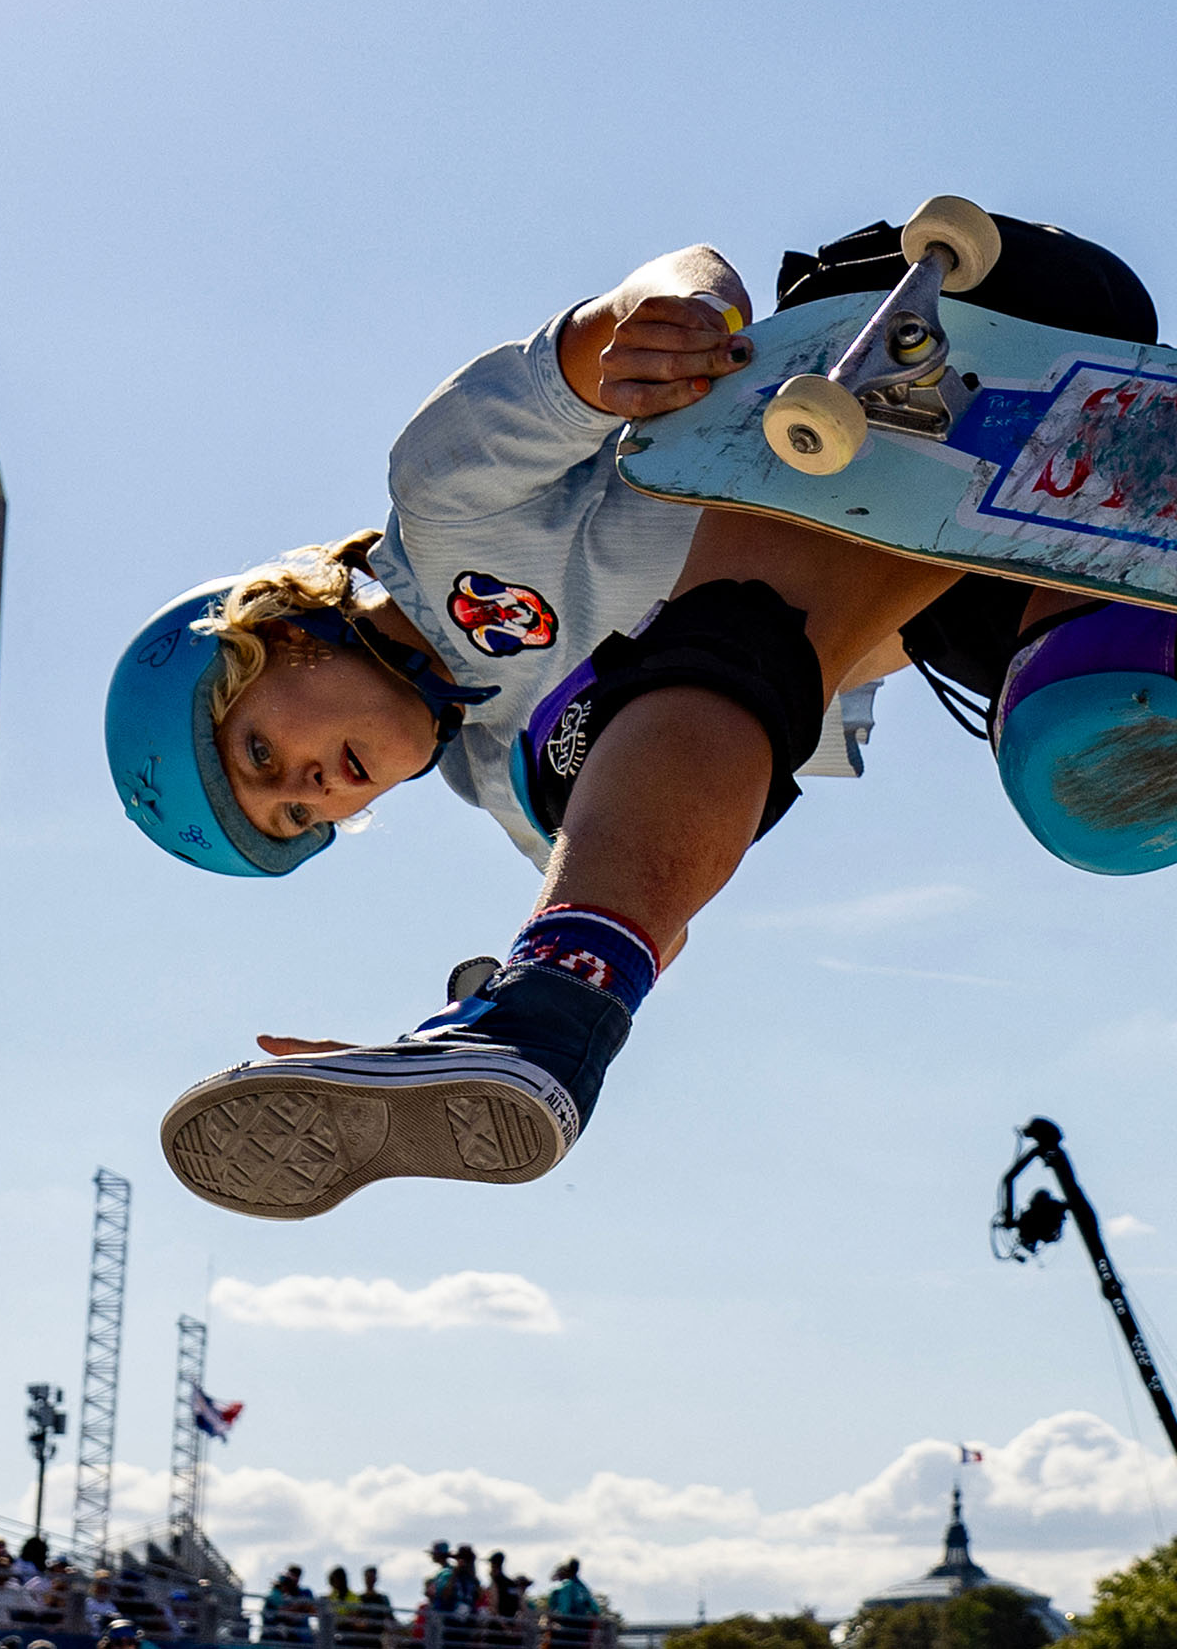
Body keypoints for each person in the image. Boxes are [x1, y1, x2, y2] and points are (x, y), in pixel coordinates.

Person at [107, 213, 1166, 1222]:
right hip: (975, 586)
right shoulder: (514, 788)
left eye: (261, 752)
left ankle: (545, 1012)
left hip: (909, 338)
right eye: (295, 819)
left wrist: (666, 319)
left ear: (275, 631)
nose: (309, 791)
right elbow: (671, 862)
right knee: (1087, 761)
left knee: (695, 663)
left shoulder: (440, 500)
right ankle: (531, 1007)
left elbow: (659, 287)